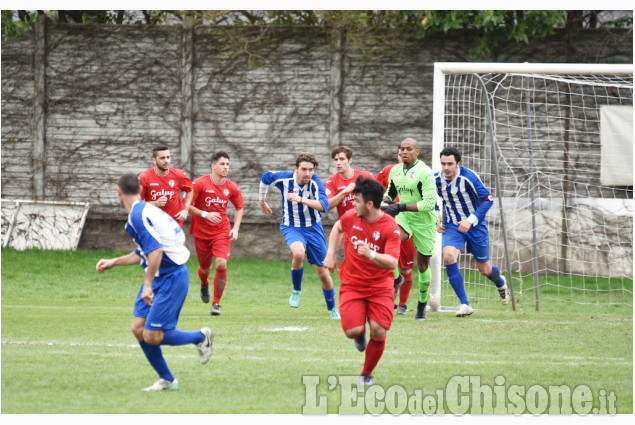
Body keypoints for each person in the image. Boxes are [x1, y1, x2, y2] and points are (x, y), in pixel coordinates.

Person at [96, 173, 213, 392]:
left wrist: (147, 284)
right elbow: (144, 252)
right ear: (139, 190)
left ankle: (201, 336)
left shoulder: (138, 216)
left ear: (118, 191)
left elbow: (156, 250)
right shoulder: (143, 212)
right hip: (162, 275)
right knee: (138, 328)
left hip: (172, 277)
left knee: (152, 335)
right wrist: (114, 262)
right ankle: (167, 380)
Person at [324, 176, 400, 386]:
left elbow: (393, 262)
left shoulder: (390, 228)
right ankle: (359, 334)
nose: (352, 204)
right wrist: (331, 254)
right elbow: (337, 228)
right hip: (352, 284)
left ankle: (366, 373)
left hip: (380, 287)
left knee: (379, 330)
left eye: (356, 201)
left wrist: (372, 255)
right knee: (353, 331)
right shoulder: (350, 216)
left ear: (369, 204)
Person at [259, 152, 340, 319]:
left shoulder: (316, 183)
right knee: (298, 253)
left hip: (313, 229)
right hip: (291, 227)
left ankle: (332, 309)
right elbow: (265, 177)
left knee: (323, 273)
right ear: (296, 169)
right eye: (303, 169)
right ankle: (296, 290)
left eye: (310, 170)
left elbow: (324, 206)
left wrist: (300, 199)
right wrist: (261, 201)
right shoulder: (285, 179)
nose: (307, 173)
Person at [434, 146, 510, 316]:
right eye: (443, 164)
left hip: (475, 226)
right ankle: (465, 304)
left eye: (450, 164)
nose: (446, 168)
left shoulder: (469, 177)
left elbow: (488, 200)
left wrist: (470, 220)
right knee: (448, 256)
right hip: (452, 225)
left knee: (485, 269)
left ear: (458, 163)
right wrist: (437, 217)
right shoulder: (436, 180)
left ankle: (499, 281)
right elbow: (431, 199)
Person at [381, 138, 437, 321]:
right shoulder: (395, 171)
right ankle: (397, 279)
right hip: (404, 218)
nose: (404, 152)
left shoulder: (425, 173)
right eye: (402, 149)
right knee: (391, 237)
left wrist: (400, 206)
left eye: (409, 149)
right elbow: (391, 193)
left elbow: (429, 203)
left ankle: (421, 305)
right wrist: (384, 203)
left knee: (422, 266)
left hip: (424, 222)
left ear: (417, 152)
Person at [186, 151, 244, 316]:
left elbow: (239, 207)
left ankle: (216, 303)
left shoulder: (231, 187)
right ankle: (204, 283)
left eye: (227, 164)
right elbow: (186, 204)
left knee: (221, 263)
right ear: (213, 166)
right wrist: (205, 214)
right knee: (205, 269)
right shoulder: (199, 183)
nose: (225, 167)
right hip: (201, 233)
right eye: (222, 164)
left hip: (221, 232)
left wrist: (235, 228)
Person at [376, 148, 418, 316]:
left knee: (406, 268)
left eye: (406, 155)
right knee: (384, 262)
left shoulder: (419, 174)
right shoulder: (387, 171)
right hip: (387, 224)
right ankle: (388, 299)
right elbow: (376, 191)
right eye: (400, 155)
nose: (403, 158)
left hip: (408, 225)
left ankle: (403, 304)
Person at [139, 145, 193, 227]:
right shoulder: (144, 177)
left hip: (174, 223)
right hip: (153, 223)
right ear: (154, 160)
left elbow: (190, 189)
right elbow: (137, 204)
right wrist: (155, 203)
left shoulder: (178, 175)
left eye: (168, 157)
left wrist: (185, 210)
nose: (166, 161)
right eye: (162, 158)